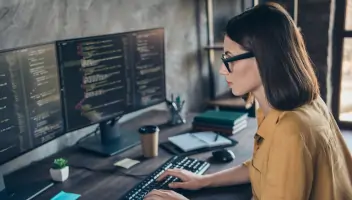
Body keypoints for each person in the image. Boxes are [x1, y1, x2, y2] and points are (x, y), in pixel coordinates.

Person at [144, 2, 352, 200]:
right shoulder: (294, 104)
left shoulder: (291, 129)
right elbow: (263, 167)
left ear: (264, 58)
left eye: (229, 58)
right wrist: (203, 180)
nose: (222, 69)